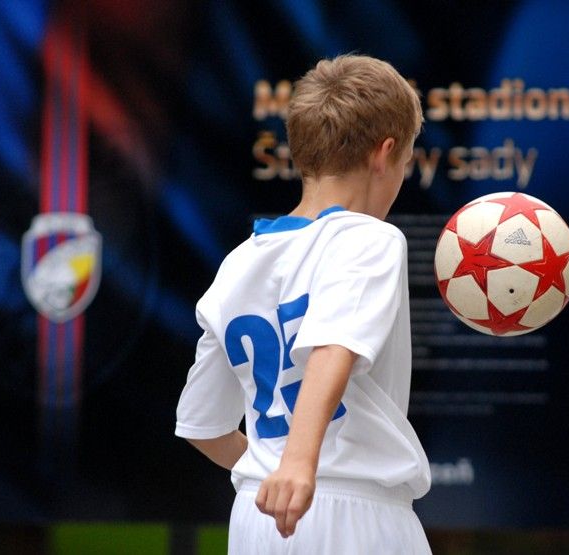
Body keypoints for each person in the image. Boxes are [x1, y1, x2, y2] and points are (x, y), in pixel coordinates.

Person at [174, 53, 432, 554]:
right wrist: (297, 462)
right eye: (405, 164)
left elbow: (202, 426)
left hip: (258, 516)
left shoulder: (239, 262)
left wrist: (272, 468)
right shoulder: (370, 238)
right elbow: (334, 344)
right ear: (385, 154)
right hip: (354, 513)